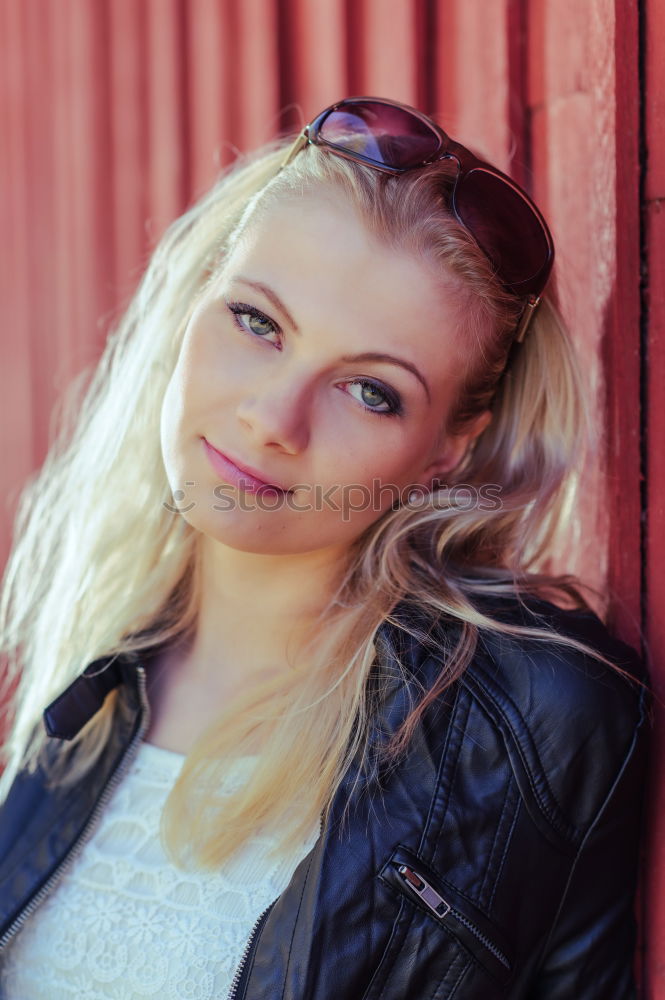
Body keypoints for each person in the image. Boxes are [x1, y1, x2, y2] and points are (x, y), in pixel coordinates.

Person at [0, 96, 651, 999]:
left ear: (447, 452)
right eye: (257, 323)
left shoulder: (532, 728)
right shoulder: (93, 670)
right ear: (198, 294)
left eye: (371, 391)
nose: (272, 420)